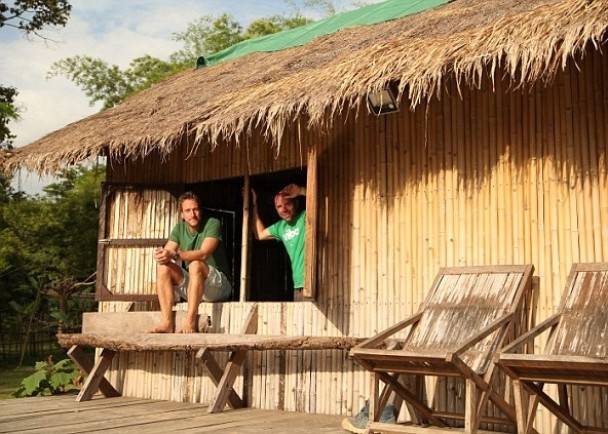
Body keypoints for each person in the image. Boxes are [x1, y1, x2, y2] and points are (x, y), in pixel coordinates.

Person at [150, 191, 232, 333]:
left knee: (195, 264)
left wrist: (177, 255)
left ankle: (190, 321)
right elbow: (169, 250)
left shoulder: (212, 223)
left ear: (200, 210)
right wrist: (163, 255)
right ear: (182, 214)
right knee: (163, 268)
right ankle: (167, 323)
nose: (192, 214)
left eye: (195, 209)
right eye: (187, 211)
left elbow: (204, 253)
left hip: (218, 287)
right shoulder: (179, 228)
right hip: (195, 285)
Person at [251, 183, 307, 300]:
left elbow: (322, 199)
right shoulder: (280, 227)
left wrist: (301, 190)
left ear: (295, 203)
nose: (284, 209)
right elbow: (259, 234)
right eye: (279, 206)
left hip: (313, 281)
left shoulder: (305, 216)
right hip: (298, 285)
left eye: (287, 204)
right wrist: (254, 204)